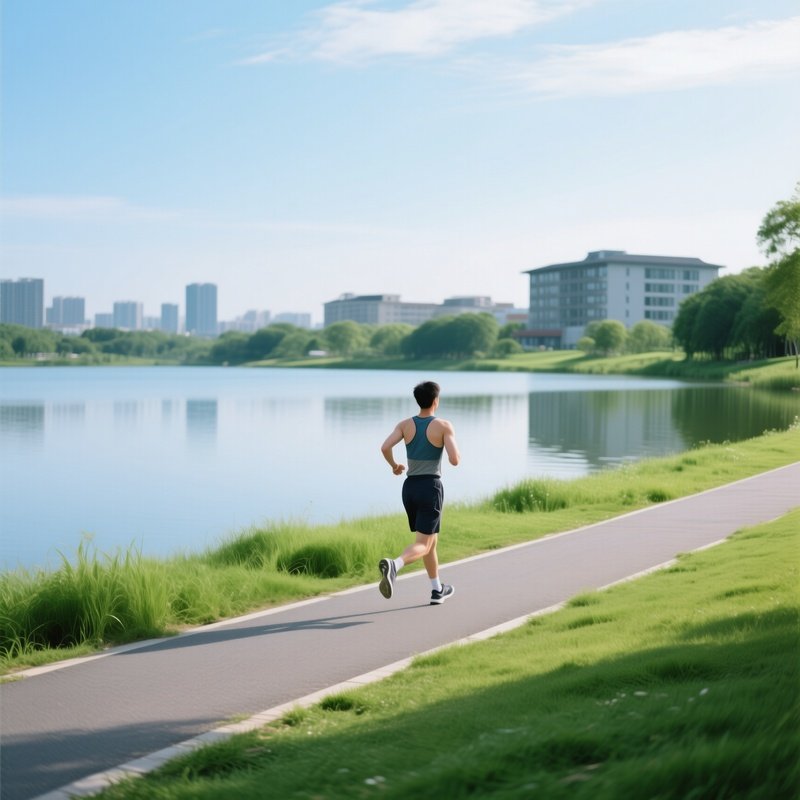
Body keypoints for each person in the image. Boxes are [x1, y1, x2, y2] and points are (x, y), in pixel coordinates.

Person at [378, 380, 461, 605]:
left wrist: (394, 466)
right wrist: (451, 445)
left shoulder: (405, 425)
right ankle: (395, 565)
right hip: (430, 488)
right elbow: (454, 460)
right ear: (435, 401)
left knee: (429, 542)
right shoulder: (443, 426)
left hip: (410, 487)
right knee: (423, 544)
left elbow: (385, 447)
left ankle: (437, 590)